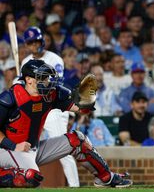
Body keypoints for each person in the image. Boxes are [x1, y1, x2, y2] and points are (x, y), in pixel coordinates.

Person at [0, 59, 131, 188]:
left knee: (77, 140)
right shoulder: (9, 98)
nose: (47, 81)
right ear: (29, 79)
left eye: (47, 77)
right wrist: (13, 146)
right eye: (42, 78)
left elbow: (80, 109)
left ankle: (106, 178)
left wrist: (87, 100)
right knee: (30, 178)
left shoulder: (51, 94)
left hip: (33, 148)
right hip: (8, 151)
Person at [21, 27, 79, 187]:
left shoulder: (55, 59)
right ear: (27, 44)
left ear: (42, 40)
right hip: (35, 108)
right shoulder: (25, 62)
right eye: (31, 42)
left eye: (37, 41)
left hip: (53, 108)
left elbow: (55, 84)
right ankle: (27, 184)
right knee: (28, 148)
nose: (35, 45)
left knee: (64, 149)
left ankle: (75, 186)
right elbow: (23, 88)